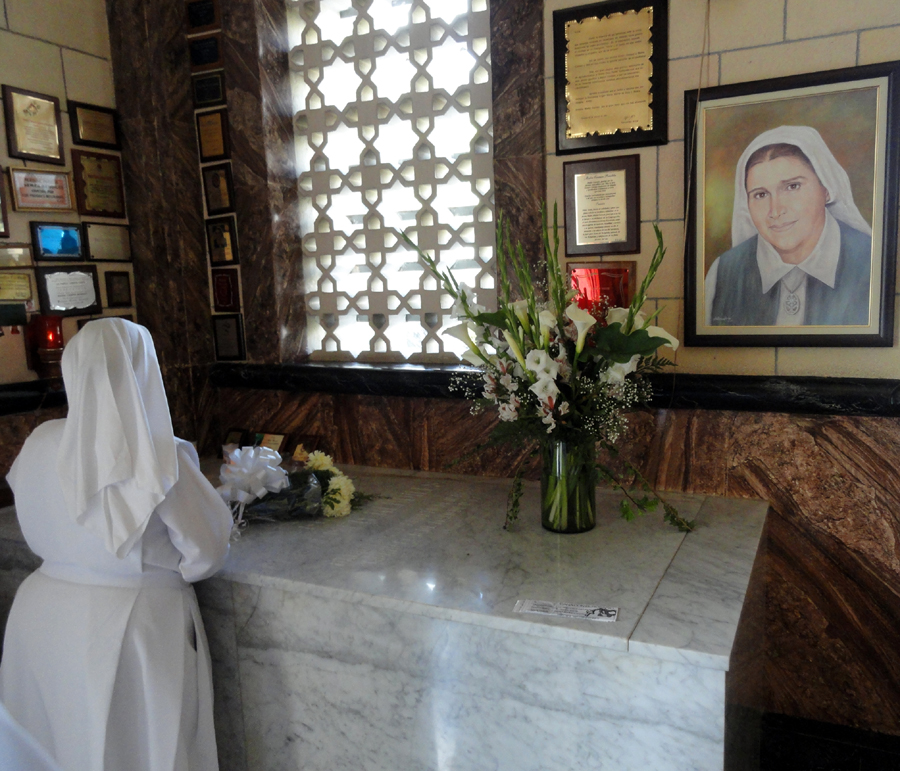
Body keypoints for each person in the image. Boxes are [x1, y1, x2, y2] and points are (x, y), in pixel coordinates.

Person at [0, 318, 233, 771]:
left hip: (41, 616)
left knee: (55, 741)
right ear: (144, 369)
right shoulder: (161, 454)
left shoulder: (41, 440)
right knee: (139, 746)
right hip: (134, 625)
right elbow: (206, 553)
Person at [705, 125, 873, 327]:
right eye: (760, 194)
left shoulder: (871, 262)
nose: (775, 210)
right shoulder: (723, 273)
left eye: (792, 187)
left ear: (827, 188)